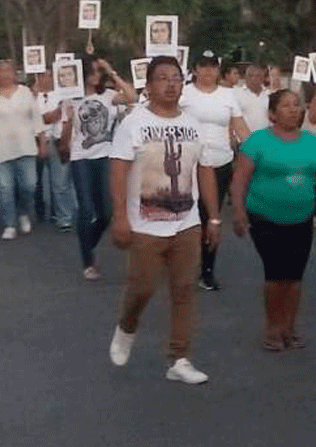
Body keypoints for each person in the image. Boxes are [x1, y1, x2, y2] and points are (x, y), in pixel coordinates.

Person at [108, 55, 220, 385]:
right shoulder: (134, 122)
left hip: (186, 223)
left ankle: (180, 358)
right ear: (148, 85)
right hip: (144, 224)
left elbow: (205, 170)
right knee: (141, 288)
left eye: (176, 78)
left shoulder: (194, 123)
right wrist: (119, 217)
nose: (171, 84)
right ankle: (127, 326)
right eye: (163, 78)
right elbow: (118, 170)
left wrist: (213, 218)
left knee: (184, 289)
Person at [231, 89, 316, 350]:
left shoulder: (310, 142)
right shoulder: (257, 141)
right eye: (287, 105)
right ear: (272, 114)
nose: (294, 110)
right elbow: (240, 179)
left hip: (301, 217)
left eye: (297, 105)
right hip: (265, 216)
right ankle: (273, 328)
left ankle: (289, 327)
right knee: (276, 273)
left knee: (294, 276)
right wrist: (238, 211)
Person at [62, 55, 137, 279]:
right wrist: (66, 121)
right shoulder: (71, 99)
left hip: (105, 156)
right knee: (86, 209)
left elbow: (132, 96)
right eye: (93, 72)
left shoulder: (108, 96)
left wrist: (111, 70)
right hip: (81, 158)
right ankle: (88, 261)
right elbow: (67, 137)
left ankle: (89, 244)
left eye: (98, 72)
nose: (97, 76)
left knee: (105, 212)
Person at [180, 50, 250, 290]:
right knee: (189, 215)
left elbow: (240, 127)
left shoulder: (228, 95)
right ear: (195, 69)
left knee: (212, 215)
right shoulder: (184, 93)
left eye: (213, 66)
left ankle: (207, 269)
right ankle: (182, 263)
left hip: (220, 162)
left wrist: (259, 152)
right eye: (204, 66)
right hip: (188, 163)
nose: (208, 71)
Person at [0, 60, 45, 239]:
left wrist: (42, 142)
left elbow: (36, 118)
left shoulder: (25, 92)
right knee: (5, 188)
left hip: (26, 147)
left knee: (29, 185)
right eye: (1, 71)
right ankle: (9, 224)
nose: (5, 75)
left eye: (8, 71)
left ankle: (23, 212)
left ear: (15, 73)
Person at [34, 71, 75, 232]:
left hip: (57, 140)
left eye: (48, 75)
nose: (45, 78)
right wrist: (49, 116)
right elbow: (38, 119)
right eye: (41, 75)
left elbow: (62, 116)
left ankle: (63, 217)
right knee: (35, 182)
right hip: (35, 141)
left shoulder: (63, 95)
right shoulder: (32, 97)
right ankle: (40, 210)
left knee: (59, 182)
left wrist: (49, 116)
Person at [233, 64, 270, 133]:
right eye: (250, 75)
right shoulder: (236, 94)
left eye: (257, 76)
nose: (253, 78)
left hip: (265, 140)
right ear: (245, 77)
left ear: (262, 78)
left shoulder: (269, 95)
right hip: (244, 140)